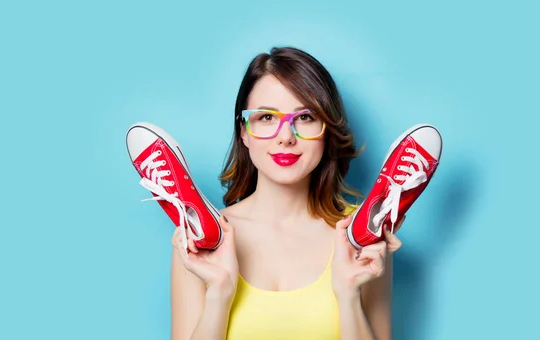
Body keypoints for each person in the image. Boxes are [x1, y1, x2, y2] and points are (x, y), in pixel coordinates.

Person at [169, 46, 405, 340]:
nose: (285, 137)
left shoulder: (362, 239)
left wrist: (348, 294)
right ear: (243, 131)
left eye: (305, 118)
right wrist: (218, 293)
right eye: (266, 117)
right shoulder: (200, 241)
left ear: (327, 130)